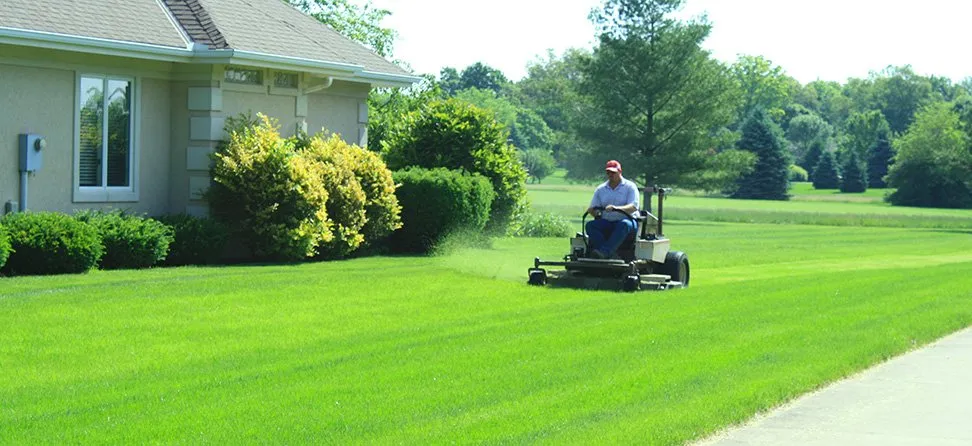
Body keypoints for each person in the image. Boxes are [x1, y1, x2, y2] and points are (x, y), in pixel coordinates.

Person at [585, 160, 639, 259]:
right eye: (608, 172)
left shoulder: (630, 187)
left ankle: (605, 252)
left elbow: (633, 207)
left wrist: (616, 208)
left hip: (628, 223)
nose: (610, 174)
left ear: (620, 172)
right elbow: (594, 208)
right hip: (607, 222)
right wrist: (594, 212)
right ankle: (608, 253)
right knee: (590, 225)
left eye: (613, 172)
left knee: (624, 224)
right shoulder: (601, 189)